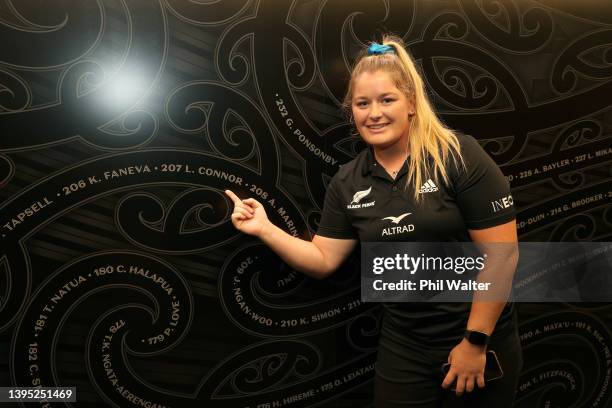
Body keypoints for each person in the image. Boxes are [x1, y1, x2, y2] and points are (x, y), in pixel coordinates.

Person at [225, 34, 521, 408]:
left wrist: (475, 343)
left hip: (476, 339)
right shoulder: (348, 181)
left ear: (411, 103)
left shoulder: (458, 156)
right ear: (352, 112)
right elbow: (322, 260)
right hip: (406, 346)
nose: (374, 113)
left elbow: (502, 255)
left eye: (386, 100)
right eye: (362, 103)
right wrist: (265, 228)